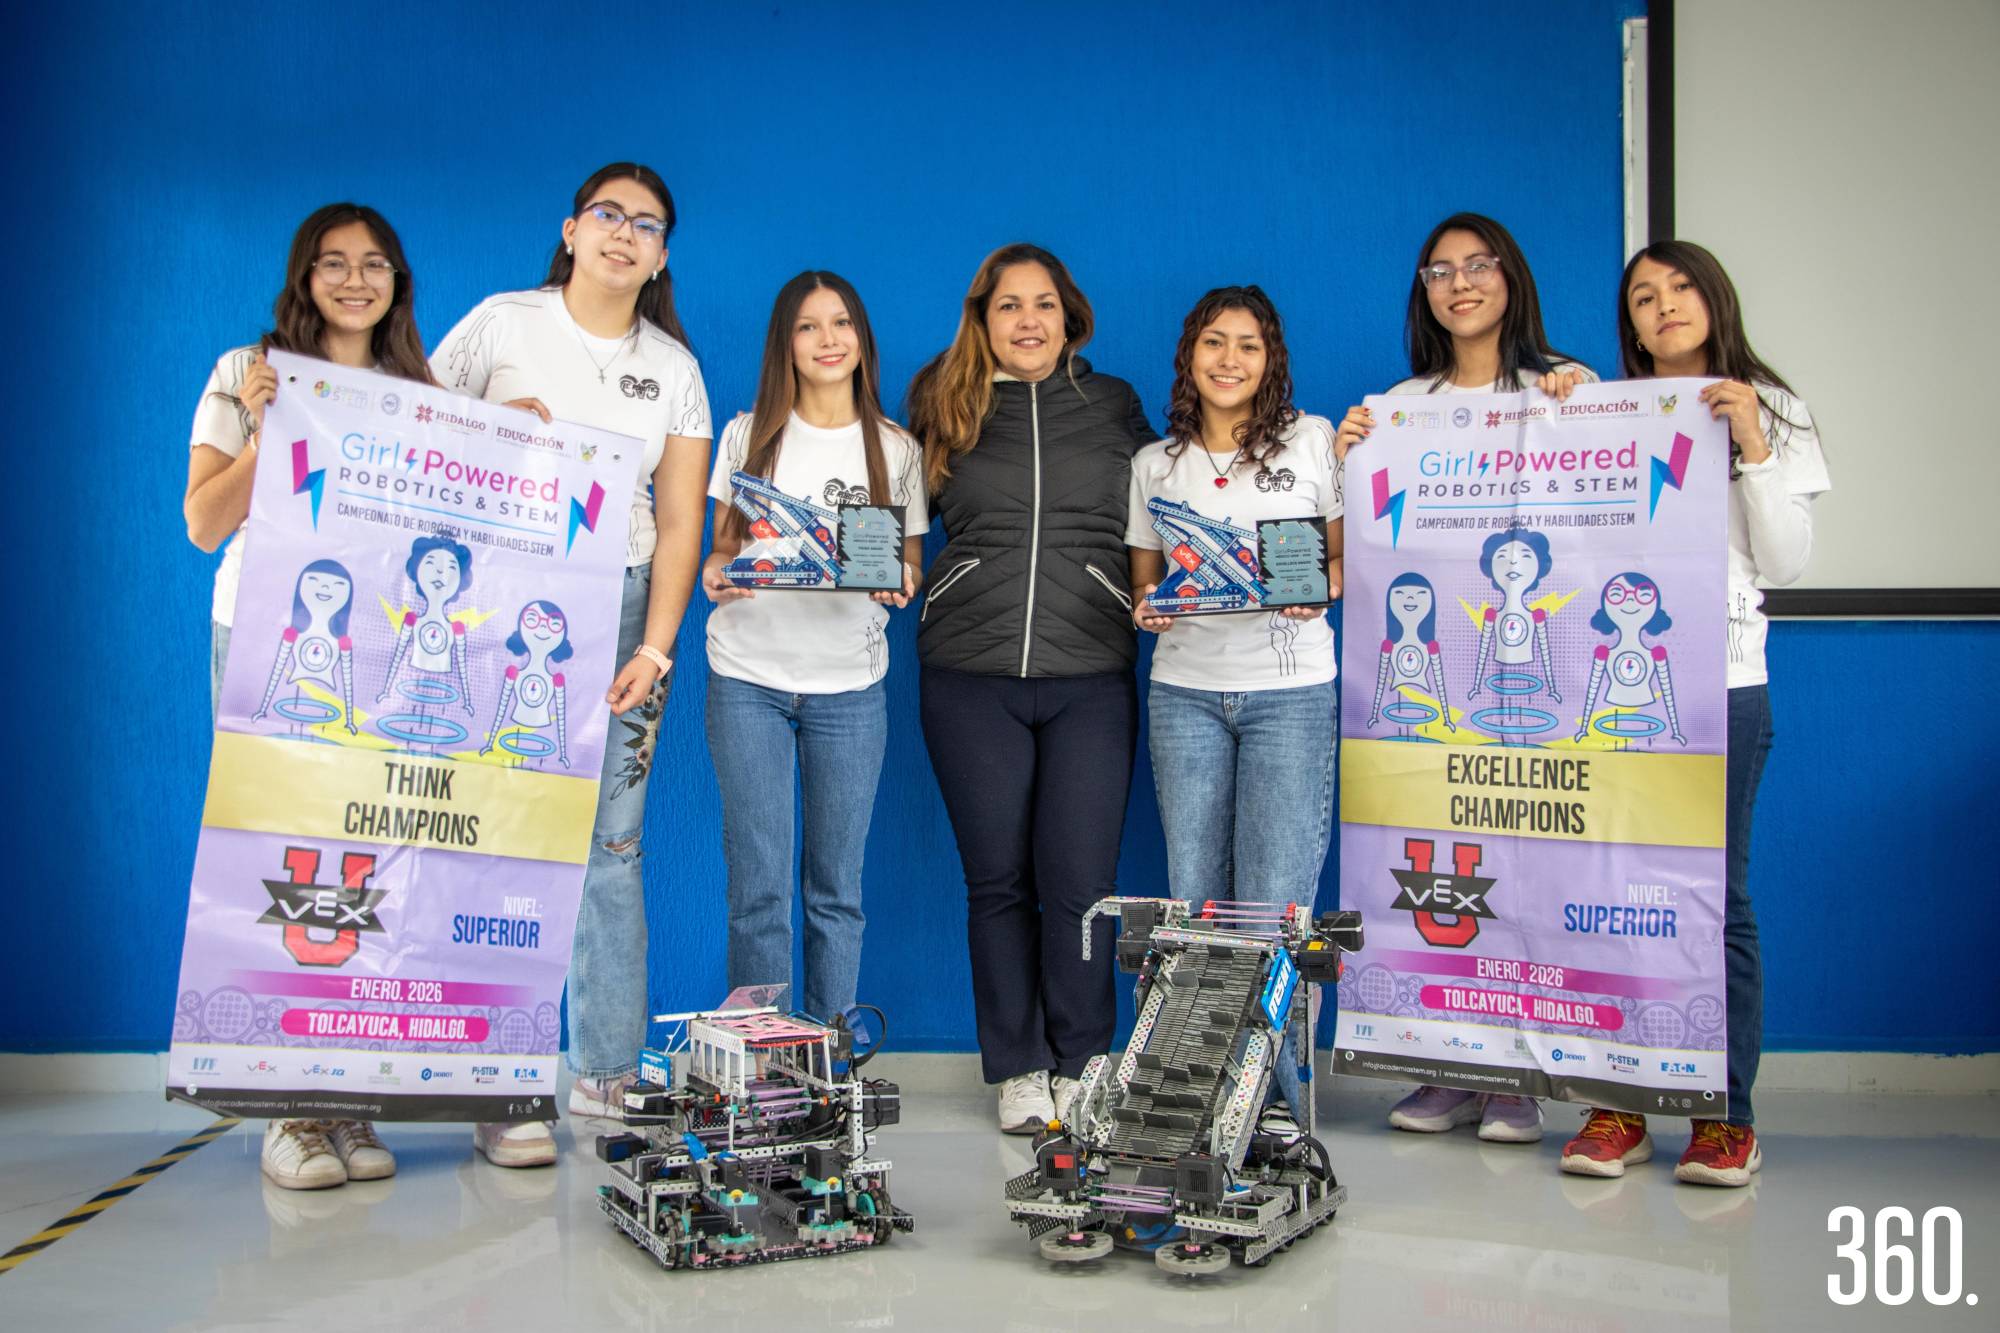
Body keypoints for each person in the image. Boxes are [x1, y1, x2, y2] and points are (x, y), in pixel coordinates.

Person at [431, 162, 711, 1167]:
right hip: (494, 603)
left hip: (624, 601)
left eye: (645, 224)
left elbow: (681, 521)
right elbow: (411, 432)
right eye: (607, 216)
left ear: (662, 251)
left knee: (611, 842)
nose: (623, 235)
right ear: (569, 229)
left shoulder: (673, 365)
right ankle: (494, 1077)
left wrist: (655, 645)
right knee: (495, 832)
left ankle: (602, 1068)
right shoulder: (501, 325)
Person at [1548, 239, 1828, 1187]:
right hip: (1613, 702)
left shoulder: (1775, 408)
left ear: (1714, 297)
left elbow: (1787, 561)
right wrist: (1567, 413)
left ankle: (1724, 1116)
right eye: (1641, 296)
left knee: (1716, 904)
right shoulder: (1614, 410)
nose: (1662, 306)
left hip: (1724, 687)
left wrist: (1752, 442)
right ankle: (1617, 1100)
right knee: (1610, 892)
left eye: (1678, 288)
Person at [182, 201, 432, 1190]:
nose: (355, 279)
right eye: (334, 263)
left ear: (397, 282)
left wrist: (523, 443)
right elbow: (204, 521)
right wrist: (264, 424)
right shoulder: (243, 371)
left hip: (382, 653)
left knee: (366, 864)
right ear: (304, 276)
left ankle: (349, 1100)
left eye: (375, 264)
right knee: (281, 858)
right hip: (267, 637)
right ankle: (288, 1113)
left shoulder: (419, 389)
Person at [1336, 211, 1595, 1146]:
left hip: (1533, 723)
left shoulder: (1569, 390)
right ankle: (1446, 1064)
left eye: (1478, 265)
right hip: (1436, 712)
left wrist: (1587, 407)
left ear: (1510, 277)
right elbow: (1365, 540)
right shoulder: (1402, 405)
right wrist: (1351, 455)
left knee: (1525, 870)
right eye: (1440, 271)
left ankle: (1517, 1076)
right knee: (1441, 876)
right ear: (1425, 292)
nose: (1460, 283)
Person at [907, 243, 1152, 1135]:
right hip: (969, 678)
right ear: (984, 317)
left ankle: (1086, 1060)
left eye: (1043, 303)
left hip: (1091, 673)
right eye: (1009, 305)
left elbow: (1188, 486)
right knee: (998, 882)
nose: (1028, 321)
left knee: (1082, 883)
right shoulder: (945, 402)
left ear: (1069, 313)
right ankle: (1016, 1067)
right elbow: (876, 498)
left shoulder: (1116, 404)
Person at [1127, 286, 1342, 1132]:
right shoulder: (1155, 463)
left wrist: (1311, 590)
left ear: (1270, 358)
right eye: (1213, 343)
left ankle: (1278, 1104)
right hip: (1184, 695)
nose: (1228, 359)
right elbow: (1146, 582)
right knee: (1195, 902)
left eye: (1247, 345)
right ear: (1190, 356)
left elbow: (1344, 563)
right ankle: (1194, 1090)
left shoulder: (1313, 440)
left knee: (1277, 908)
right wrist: (1145, 608)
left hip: (1289, 693)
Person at [698, 271, 928, 1020]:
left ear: (862, 337)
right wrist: (715, 572)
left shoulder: (895, 450)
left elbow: (909, 565)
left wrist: (900, 580)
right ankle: (762, 1063)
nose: (827, 340)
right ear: (785, 344)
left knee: (837, 890)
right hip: (747, 680)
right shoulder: (747, 434)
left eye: (841, 323)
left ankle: (834, 1062)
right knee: (758, 887)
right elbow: (720, 553)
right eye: (807, 326)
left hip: (850, 688)